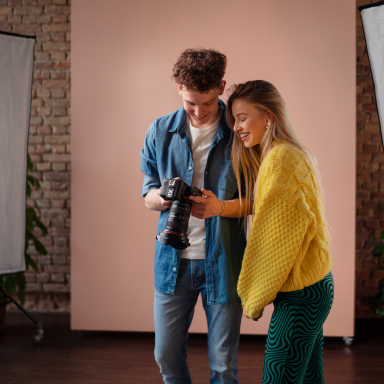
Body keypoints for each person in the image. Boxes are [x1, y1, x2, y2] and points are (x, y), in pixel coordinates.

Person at [140, 48, 248, 384]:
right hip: (173, 261)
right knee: (167, 360)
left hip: (223, 261)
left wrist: (221, 208)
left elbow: (258, 200)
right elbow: (147, 194)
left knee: (223, 368)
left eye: (206, 101)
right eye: (190, 103)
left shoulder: (240, 134)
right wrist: (165, 198)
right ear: (178, 88)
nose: (199, 112)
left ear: (221, 87)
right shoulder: (160, 131)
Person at [226, 80, 334, 384]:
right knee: (310, 379)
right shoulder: (289, 154)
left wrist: (254, 296)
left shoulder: (280, 159)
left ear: (269, 116)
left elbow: (275, 237)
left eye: (243, 117)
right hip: (316, 286)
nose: (236, 127)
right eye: (234, 119)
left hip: (301, 297)